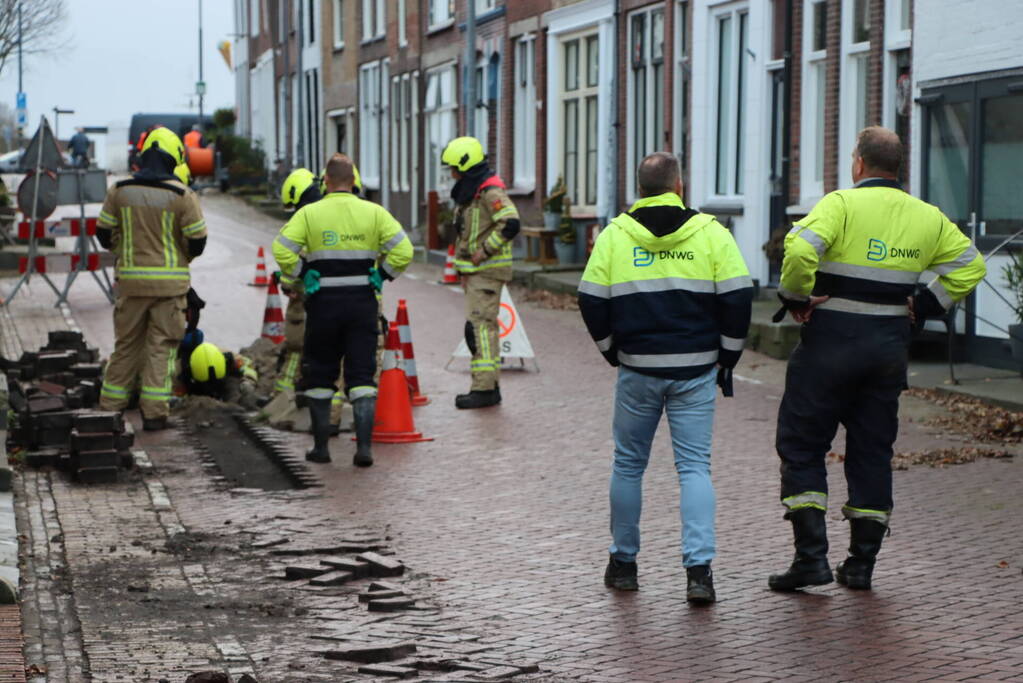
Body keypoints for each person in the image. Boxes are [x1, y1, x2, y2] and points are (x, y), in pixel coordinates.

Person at [768, 127, 986, 592]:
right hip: (887, 348)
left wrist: (796, 295)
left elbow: (801, 247)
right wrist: (925, 304)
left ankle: (811, 559)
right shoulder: (927, 217)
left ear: (859, 164)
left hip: (829, 345)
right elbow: (972, 265)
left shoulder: (841, 204)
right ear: (898, 168)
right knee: (871, 452)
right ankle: (861, 566)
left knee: (803, 445)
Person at [578, 152, 753, 605]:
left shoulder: (616, 236)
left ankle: (624, 565)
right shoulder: (713, 234)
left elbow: (591, 298)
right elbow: (737, 296)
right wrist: (727, 356)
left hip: (638, 368)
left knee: (628, 464)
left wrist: (611, 350)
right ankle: (699, 573)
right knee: (694, 467)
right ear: (680, 187)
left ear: (640, 189)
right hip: (695, 369)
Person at [272, 154, 412, 467]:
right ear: (353, 181)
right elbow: (404, 250)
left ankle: (321, 448)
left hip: (323, 305)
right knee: (362, 375)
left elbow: (281, 247)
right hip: (363, 303)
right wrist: (383, 274)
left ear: (326, 181)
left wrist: (302, 271)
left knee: (321, 374)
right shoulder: (374, 213)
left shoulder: (310, 214)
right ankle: (363, 450)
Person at [96, 127, 208, 431]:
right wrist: (180, 256)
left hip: (130, 284)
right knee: (162, 347)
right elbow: (197, 241)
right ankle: (155, 414)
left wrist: (125, 250)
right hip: (170, 287)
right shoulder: (182, 195)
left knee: (126, 346)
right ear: (174, 158)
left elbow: (104, 234)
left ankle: (108, 411)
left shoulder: (119, 190)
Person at [441, 136, 520, 409]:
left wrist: (484, 251)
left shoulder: (489, 192)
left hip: (486, 271)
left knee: (480, 329)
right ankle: (488, 385)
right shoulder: (473, 191)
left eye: (454, 169)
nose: (451, 174)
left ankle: (484, 389)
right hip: (477, 274)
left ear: (465, 166)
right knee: (477, 328)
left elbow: (510, 223)